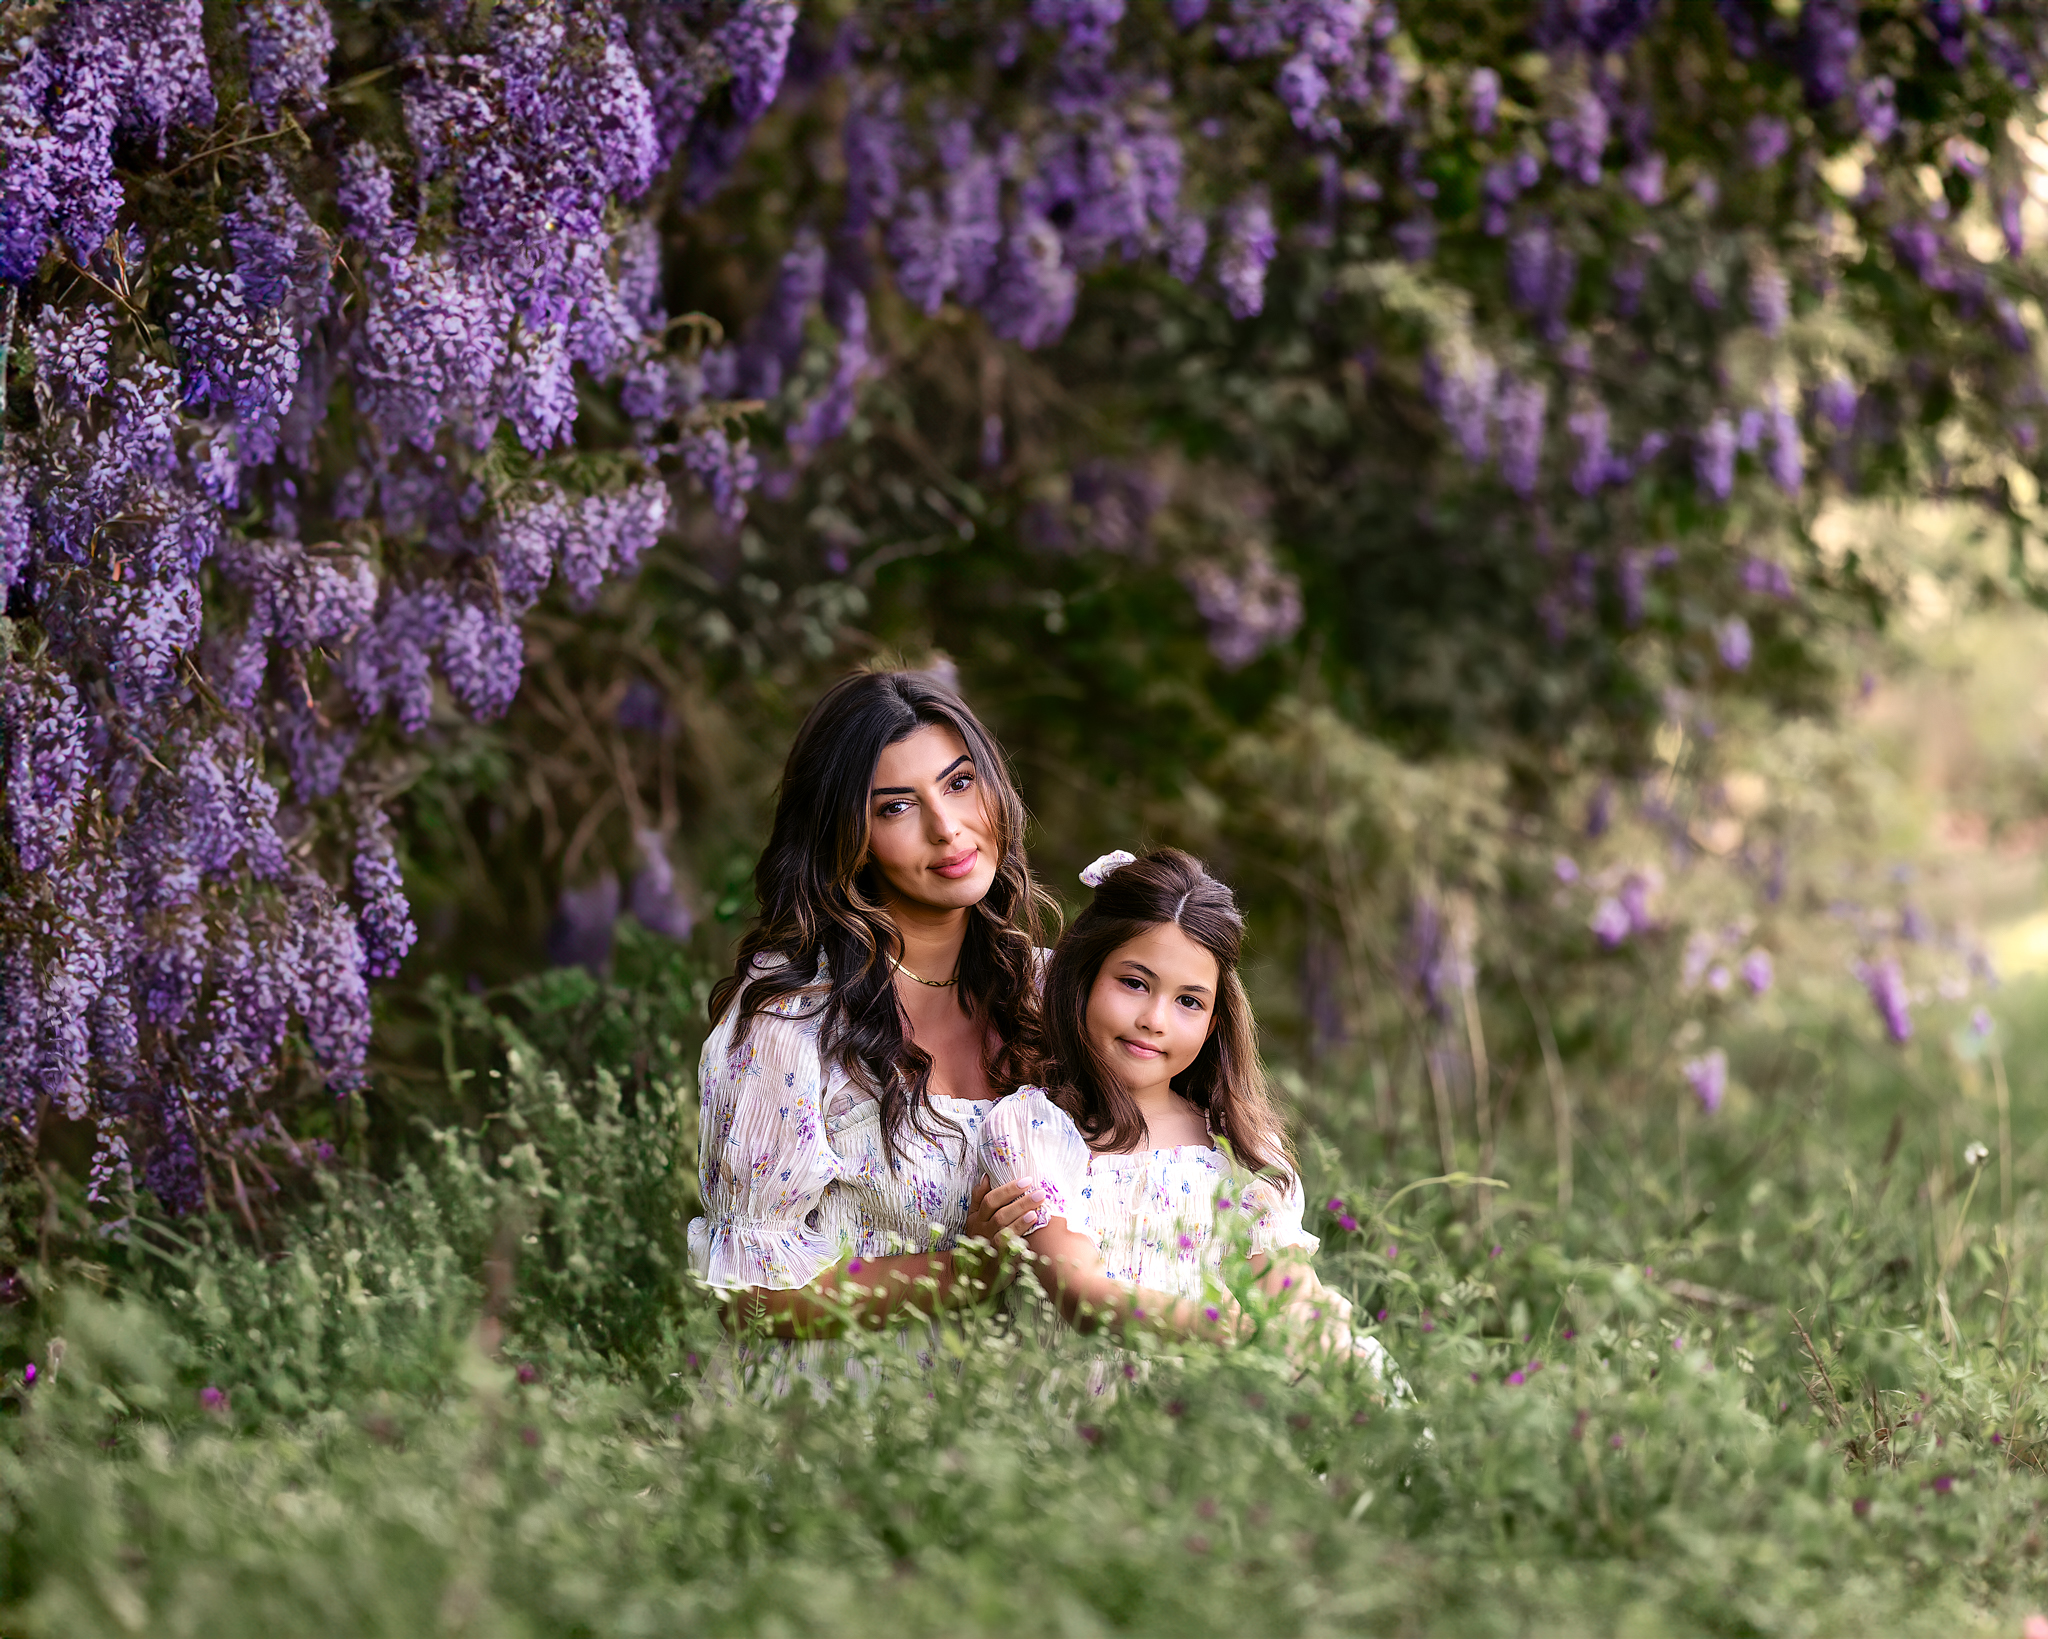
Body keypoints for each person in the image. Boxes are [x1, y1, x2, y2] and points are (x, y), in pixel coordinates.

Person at [689, 669, 1051, 1355]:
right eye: (896, 808)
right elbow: (751, 1300)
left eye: (959, 782)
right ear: (846, 836)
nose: (947, 828)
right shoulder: (791, 1018)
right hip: (847, 1407)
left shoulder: (1052, 993)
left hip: (1031, 1405)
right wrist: (964, 1272)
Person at [982, 847, 1389, 1373]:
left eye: (1189, 1001)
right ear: (1083, 979)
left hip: (1204, 1408)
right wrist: (1226, 1331)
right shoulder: (1033, 1127)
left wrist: (1318, 1336)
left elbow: (1286, 1287)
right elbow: (1078, 1293)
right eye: (1134, 983)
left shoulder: (1236, 1146)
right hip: (1079, 1412)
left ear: (1213, 1023)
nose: (1155, 1019)